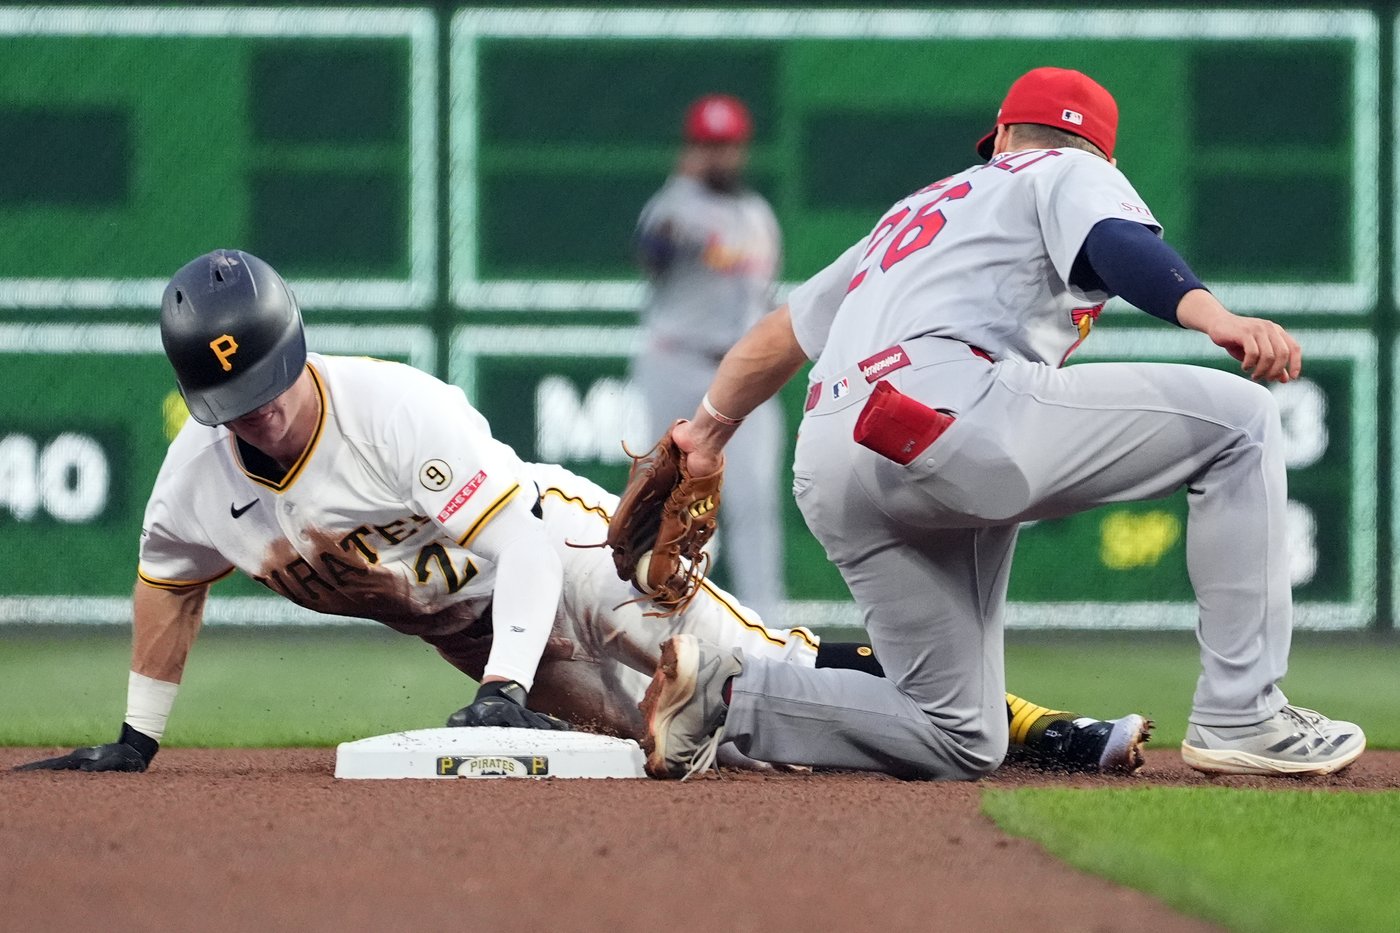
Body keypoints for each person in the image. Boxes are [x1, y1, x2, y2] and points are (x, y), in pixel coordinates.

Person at [16, 249, 1146, 776]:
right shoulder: (197, 483)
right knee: (699, 746)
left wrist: (504, 687)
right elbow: (166, 580)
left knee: (753, 662)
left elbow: (511, 540)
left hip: (566, 555)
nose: (253, 417)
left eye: (265, 388)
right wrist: (137, 733)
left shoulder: (393, 409)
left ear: (297, 351)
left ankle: (1033, 726)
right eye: (232, 404)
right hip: (481, 639)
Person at [638, 67, 1366, 781]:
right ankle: (1243, 711)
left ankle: (731, 693)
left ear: (1003, 133)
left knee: (959, 731)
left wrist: (705, 432)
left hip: (834, 455)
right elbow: (1120, 244)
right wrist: (1216, 316)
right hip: (949, 414)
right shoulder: (1067, 169)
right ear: (1104, 156)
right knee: (1243, 421)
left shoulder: (915, 211)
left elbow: (779, 336)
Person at [630, 94, 786, 622]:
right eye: (709, 145)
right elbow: (650, 251)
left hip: (741, 369)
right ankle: (647, 608)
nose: (720, 156)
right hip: (677, 362)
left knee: (755, 502)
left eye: (728, 145)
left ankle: (766, 624)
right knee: (662, 492)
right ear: (692, 148)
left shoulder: (757, 214)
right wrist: (677, 191)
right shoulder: (673, 208)